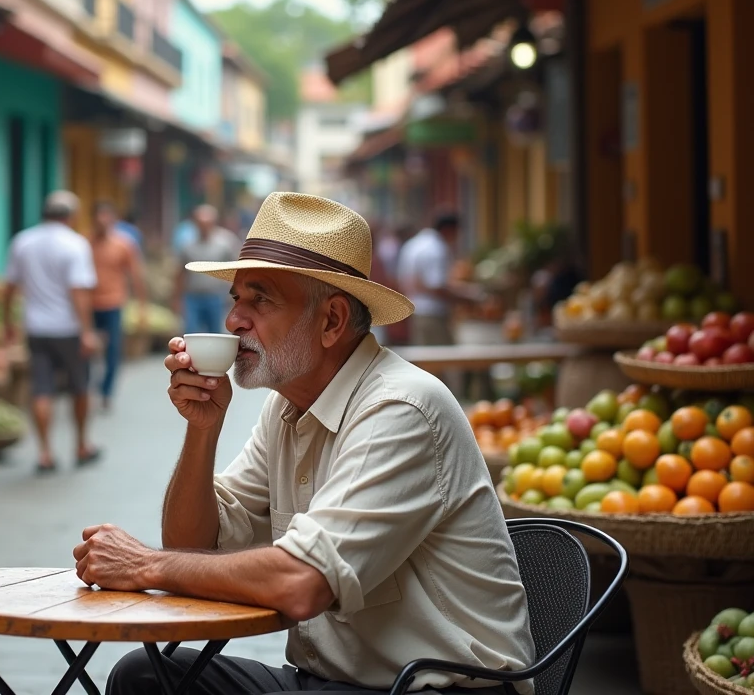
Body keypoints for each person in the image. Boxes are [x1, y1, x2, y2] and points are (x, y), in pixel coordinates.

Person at [72, 192, 535, 694]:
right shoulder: (288, 407)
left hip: (439, 690)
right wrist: (203, 428)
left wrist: (143, 565)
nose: (233, 321)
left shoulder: (400, 408)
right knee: (146, 678)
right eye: (236, 298)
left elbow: (300, 582)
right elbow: (192, 547)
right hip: (332, 682)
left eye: (260, 299)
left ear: (332, 321)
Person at [3, 191, 101, 474]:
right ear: (71, 216)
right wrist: (87, 331)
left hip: (36, 328)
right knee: (80, 387)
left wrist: (7, 324)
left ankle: (45, 452)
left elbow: (9, 287)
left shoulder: (22, 241)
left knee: (41, 388)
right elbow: (79, 291)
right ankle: (82, 445)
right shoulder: (75, 244)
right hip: (68, 328)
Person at [91, 201, 148, 411]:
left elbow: (136, 276)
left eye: (106, 217)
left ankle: (106, 391)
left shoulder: (123, 244)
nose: (102, 222)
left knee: (113, 351)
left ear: (113, 220)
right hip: (89, 305)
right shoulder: (85, 243)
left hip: (113, 303)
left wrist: (142, 307)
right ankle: (89, 388)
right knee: (88, 351)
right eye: (99, 217)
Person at [395, 211, 480, 346]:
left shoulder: (415, 243)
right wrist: (467, 296)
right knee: (440, 359)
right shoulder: (435, 249)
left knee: (426, 358)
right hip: (432, 314)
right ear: (449, 229)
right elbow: (436, 287)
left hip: (416, 311)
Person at [173, 205, 241, 335]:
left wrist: (236, 293)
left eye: (207, 223)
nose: (204, 227)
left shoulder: (225, 242)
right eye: (200, 223)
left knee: (216, 333)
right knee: (191, 333)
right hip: (193, 296)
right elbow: (180, 273)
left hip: (216, 296)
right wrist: (176, 298)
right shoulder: (187, 244)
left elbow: (237, 267)